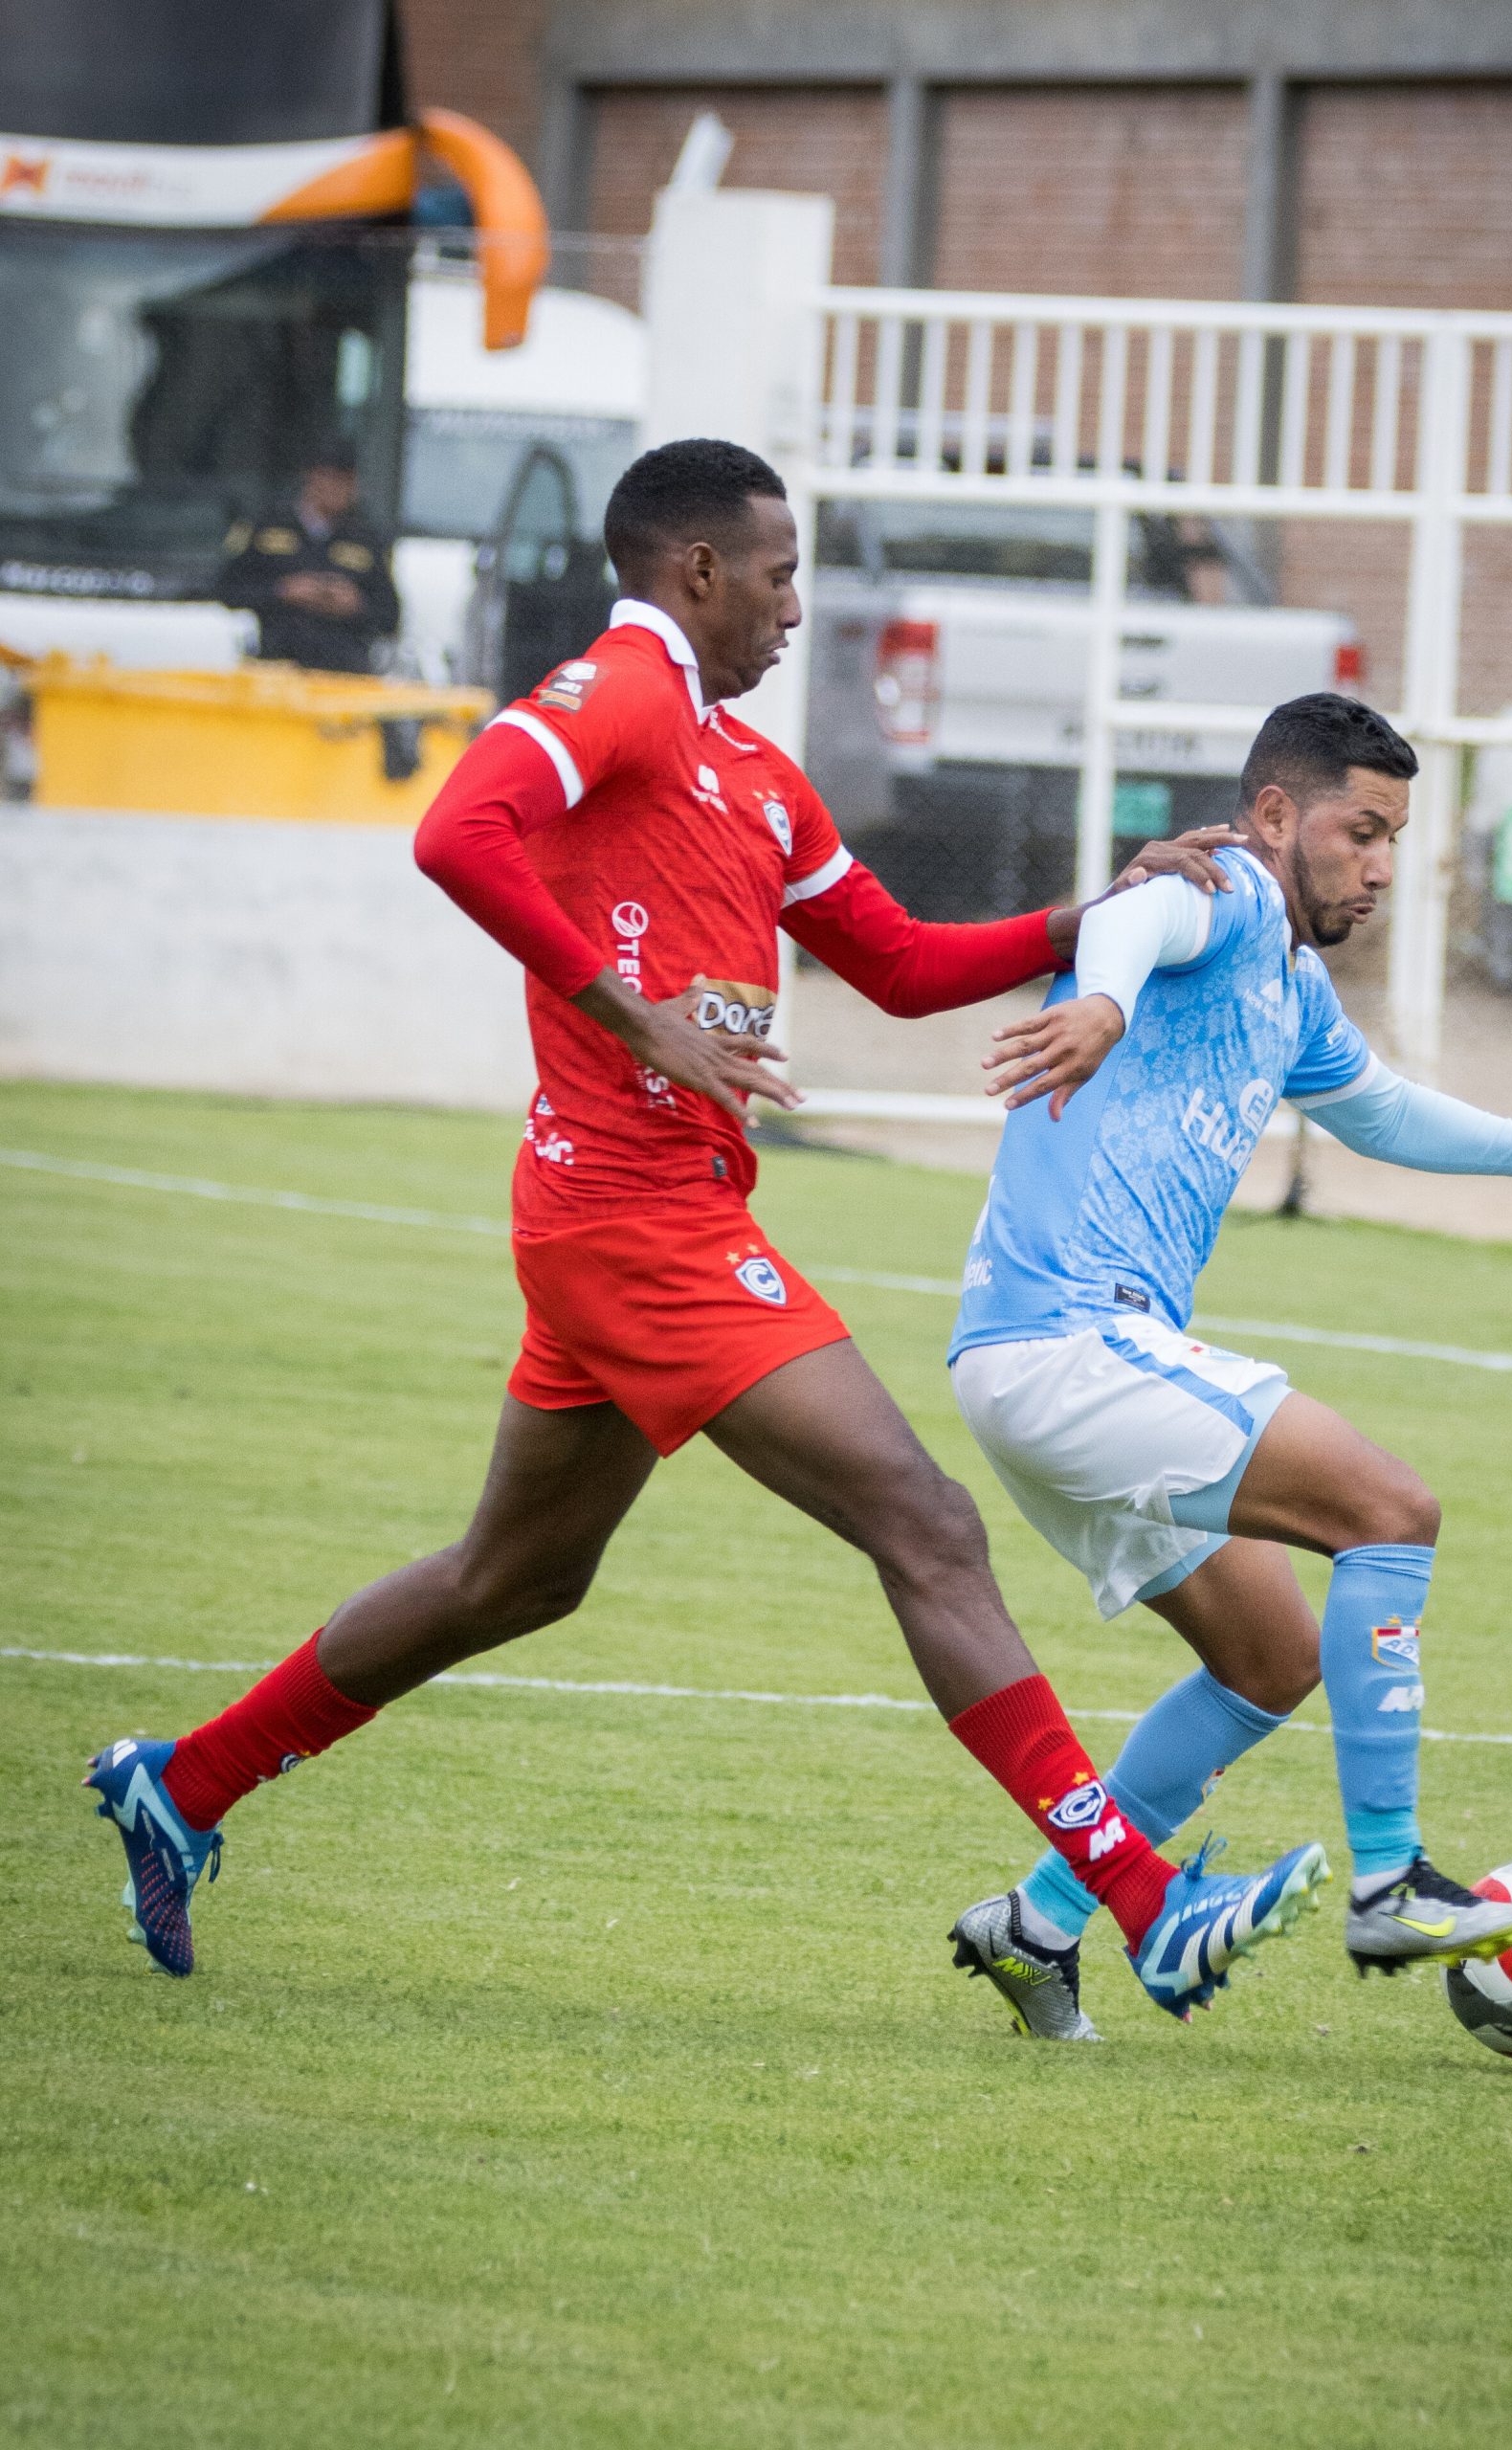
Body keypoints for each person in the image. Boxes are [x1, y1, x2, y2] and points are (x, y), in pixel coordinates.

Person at [85, 439, 1324, 2025]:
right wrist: (631, 1017)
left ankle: (180, 1784)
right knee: (924, 1521)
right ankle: (1145, 1906)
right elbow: (454, 829)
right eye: (781, 571)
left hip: (641, 1218)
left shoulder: (744, 769)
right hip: (632, 1219)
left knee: (510, 1581)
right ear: (694, 573)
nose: (797, 604)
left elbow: (894, 959)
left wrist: (1097, 912)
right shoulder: (622, 690)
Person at [942, 694, 1512, 2042]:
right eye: (1364, 831)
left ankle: (1041, 1925)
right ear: (1280, 815)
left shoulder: (1289, 984)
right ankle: (1392, 1880)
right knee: (1390, 1512)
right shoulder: (1222, 889)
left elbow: (1389, 1112)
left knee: (1271, 1653)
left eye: (1398, 838)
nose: (1383, 867)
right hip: (1070, 1342)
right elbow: (1131, 915)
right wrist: (1104, 1001)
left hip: (1058, 1362)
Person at [219, 440, 400, 674]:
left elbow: (390, 615)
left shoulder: (366, 537)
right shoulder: (267, 526)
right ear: (312, 477)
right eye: (332, 479)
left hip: (342, 671)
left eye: (348, 481)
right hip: (275, 666)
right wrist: (283, 592)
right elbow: (226, 590)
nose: (341, 490)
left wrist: (355, 605)